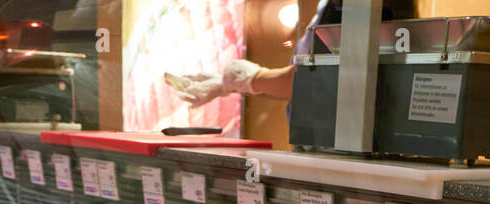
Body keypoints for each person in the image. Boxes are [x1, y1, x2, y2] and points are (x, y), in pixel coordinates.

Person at [167, 0, 415, 107]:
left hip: (341, 151)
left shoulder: (352, 6)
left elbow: (315, 81)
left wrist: (250, 78)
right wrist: (237, 84)